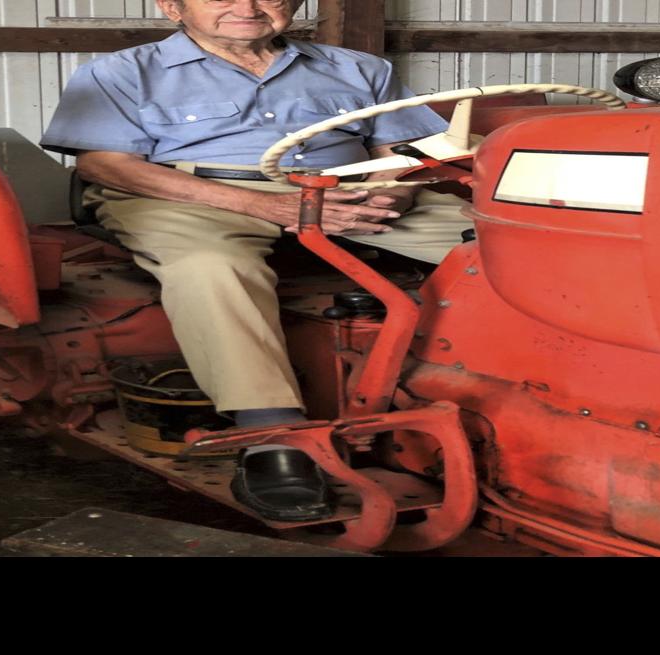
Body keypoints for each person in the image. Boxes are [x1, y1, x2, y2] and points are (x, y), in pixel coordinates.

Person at [40, 0, 472, 521]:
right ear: (172, 7)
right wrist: (263, 204)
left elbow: (406, 154)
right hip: (192, 194)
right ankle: (273, 434)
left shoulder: (359, 68)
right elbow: (107, 165)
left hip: (345, 193)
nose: (246, 6)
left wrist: (390, 195)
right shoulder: (121, 72)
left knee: (501, 240)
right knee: (208, 264)